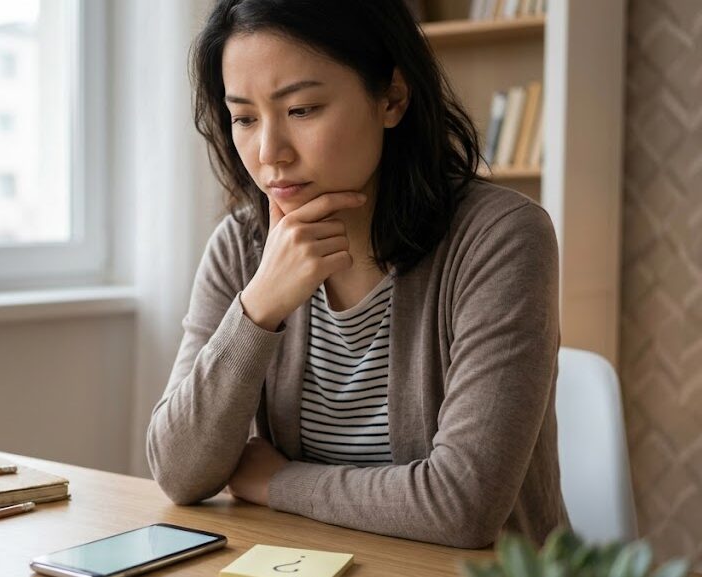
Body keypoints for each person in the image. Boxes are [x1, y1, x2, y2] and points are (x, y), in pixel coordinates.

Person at [145, 0, 570, 549]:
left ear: (391, 97)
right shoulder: (242, 246)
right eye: (245, 118)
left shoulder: (501, 238)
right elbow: (178, 473)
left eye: (301, 110)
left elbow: (462, 506)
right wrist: (259, 309)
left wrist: (275, 481)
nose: (269, 153)